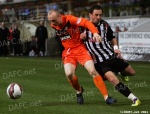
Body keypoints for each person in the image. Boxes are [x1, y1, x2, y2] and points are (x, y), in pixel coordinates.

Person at [47, 9, 117, 105]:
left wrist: (95, 33)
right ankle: (79, 91)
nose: (52, 23)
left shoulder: (70, 19)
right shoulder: (53, 25)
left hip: (80, 49)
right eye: (50, 21)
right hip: (68, 52)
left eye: (53, 20)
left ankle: (106, 97)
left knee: (92, 71)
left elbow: (86, 22)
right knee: (69, 74)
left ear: (60, 16)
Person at [80, 5, 141, 106]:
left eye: (100, 15)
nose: (99, 17)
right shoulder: (82, 27)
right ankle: (134, 98)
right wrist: (80, 37)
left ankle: (121, 73)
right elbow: (75, 41)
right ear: (90, 14)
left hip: (111, 56)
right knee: (112, 79)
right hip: (99, 61)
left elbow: (112, 37)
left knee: (132, 72)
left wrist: (116, 47)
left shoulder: (104, 24)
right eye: (96, 15)